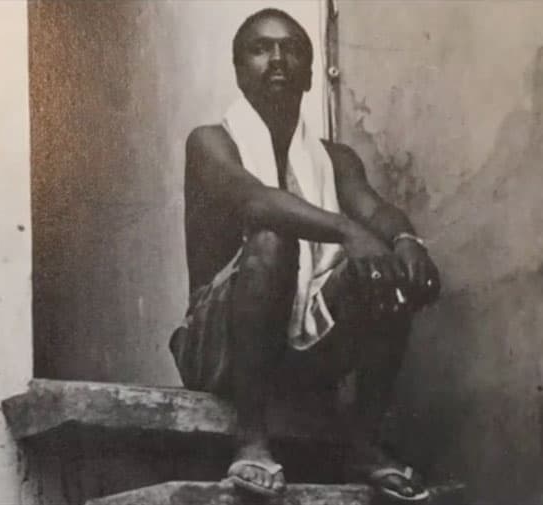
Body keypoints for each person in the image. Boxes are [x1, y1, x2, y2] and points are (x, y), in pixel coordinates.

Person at [169, 8, 441, 503]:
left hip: (301, 354)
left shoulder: (335, 159)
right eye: (260, 48)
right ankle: (251, 440)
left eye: (292, 48)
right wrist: (346, 231)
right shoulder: (210, 143)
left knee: (387, 267)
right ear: (238, 69)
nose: (277, 58)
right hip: (221, 348)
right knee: (273, 239)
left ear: (311, 74)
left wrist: (406, 243)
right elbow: (255, 201)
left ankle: (363, 442)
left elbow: (375, 213)